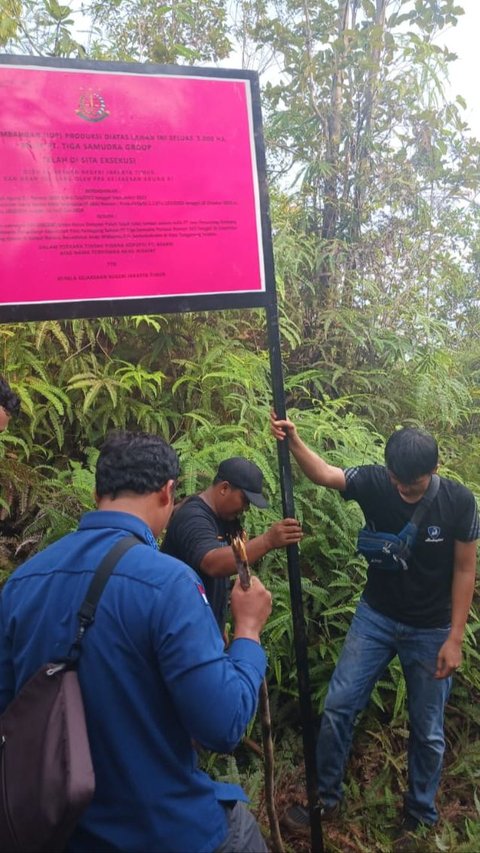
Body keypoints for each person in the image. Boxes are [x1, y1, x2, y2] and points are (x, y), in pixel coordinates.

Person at [0, 431, 273, 853]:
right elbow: (225, 726)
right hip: (159, 826)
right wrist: (248, 632)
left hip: (54, 826)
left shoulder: (21, 583)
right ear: (167, 493)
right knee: (243, 833)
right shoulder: (171, 583)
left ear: (96, 493)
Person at [270, 413, 479, 846]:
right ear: (389, 471)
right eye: (398, 481)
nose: (404, 490)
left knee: (428, 728)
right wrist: (295, 443)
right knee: (339, 705)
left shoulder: (459, 501)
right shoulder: (375, 482)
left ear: (434, 471)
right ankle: (326, 797)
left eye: (414, 484)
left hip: (431, 628)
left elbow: (464, 568)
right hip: (376, 616)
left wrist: (454, 637)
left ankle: (420, 814)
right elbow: (326, 474)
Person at [162, 455, 303, 631]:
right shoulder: (193, 517)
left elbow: (228, 571)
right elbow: (212, 562)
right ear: (224, 488)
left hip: (202, 629)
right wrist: (268, 541)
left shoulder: (225, 520)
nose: (246, 509)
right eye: (244, 500)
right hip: (178, 629)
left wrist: (219, 626)